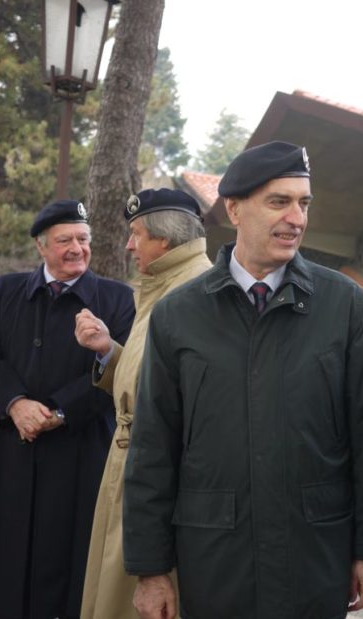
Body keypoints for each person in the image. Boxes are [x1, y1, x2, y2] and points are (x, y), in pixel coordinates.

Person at [123, 141, 363, 619]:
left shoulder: (344, 305)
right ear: (234, 209)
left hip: (313, 557)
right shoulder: (177, 314)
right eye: (279, 202)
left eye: (303, 203)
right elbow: (153, 448)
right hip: (215, 560)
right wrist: (151, 569)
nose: (296, 218)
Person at [0, 200, 135, 617]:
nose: (77, 248)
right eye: (64, 240)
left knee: (70, 561)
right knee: (8, 561)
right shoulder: (4, 291)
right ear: (41, 246)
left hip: (79, 450)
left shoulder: (117, 298)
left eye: (83, 239)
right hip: (10, 448)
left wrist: (59, 412)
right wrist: (16, 404)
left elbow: (123, 366)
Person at [75, 188, 212, 619]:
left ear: (164, 239)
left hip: (156, 476)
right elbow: (151, 379)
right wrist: (108, 351)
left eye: (136, 234)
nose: (129, 246)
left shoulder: (195, 292)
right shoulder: (163, 286)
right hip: (132, 467)